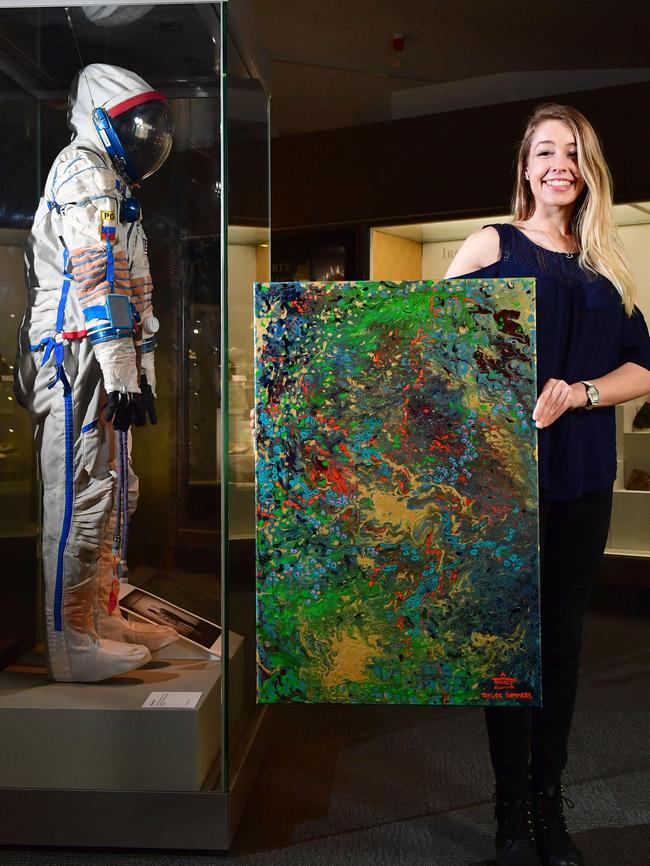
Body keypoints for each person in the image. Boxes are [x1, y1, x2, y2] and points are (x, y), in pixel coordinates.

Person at [444, 103, 650, 866]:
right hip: (501, 481)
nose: (559, 163)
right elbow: (433, 350)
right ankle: (508, 819)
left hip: (583, 477)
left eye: (573, 151)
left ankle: (547, 806)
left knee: (561, 648)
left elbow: (643, 366)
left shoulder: (605, 265)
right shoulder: (489, 245)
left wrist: (583, 392)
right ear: (526, 167)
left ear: (586, 168)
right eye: (545, 151)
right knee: (508, 648)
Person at [15, 63, 178, 683]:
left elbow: (134, 285)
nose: (144, 140)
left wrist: (139, 370)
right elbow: (92, 275)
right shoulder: (83, 167)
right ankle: (70, 641)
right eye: (134, 126)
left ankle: (100, 616)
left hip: (103, 356)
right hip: (73, 356)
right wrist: (119, 367)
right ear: (104, 119)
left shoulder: (111, 178)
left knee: (114, 491)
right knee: (79, 496)